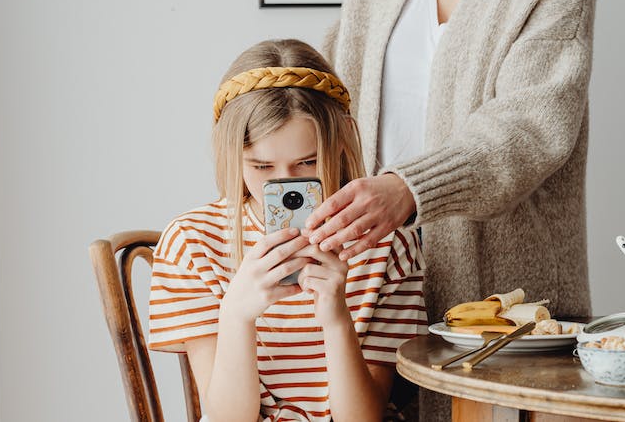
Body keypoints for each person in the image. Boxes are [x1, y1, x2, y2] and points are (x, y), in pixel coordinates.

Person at [308, 0, 596, 354]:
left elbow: (527, 131)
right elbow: (329, 87)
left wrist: (409, 188)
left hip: (508, 308)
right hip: (382, 294)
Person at [147, 39, 427, 422]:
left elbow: (362, 419)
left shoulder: (387, 244)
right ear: (232, 155)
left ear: (342, 141)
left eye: (307, 162)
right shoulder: (191, 243)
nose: (284, 186)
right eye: (261, 167)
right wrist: (235, 315)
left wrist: (337, 319)